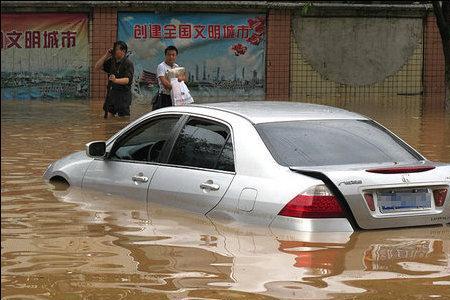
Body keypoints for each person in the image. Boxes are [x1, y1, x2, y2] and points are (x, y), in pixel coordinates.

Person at [94, 41, 134, 118]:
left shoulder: (128, 63)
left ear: (123, 51)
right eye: (114, 49)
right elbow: (97, 67)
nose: (114, 51)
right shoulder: (111, 61)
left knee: (123, 120)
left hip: (123, 96)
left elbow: (127, 80)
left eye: (116, 49)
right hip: (111, 95)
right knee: (107, 119)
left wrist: (116, 80)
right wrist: (106, 55)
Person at [153, 45, 187, 110]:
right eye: (169, 55)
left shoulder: (176, 66)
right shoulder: (161, 66)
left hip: (176, 96)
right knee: (164, 116)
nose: (171, 57)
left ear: (176, 56)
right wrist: (177, 89)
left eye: (173, 55)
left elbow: (184, 79)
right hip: (165, 96)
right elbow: (164, 82)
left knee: (175, 114)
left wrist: (181, 79)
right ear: (165, 55)